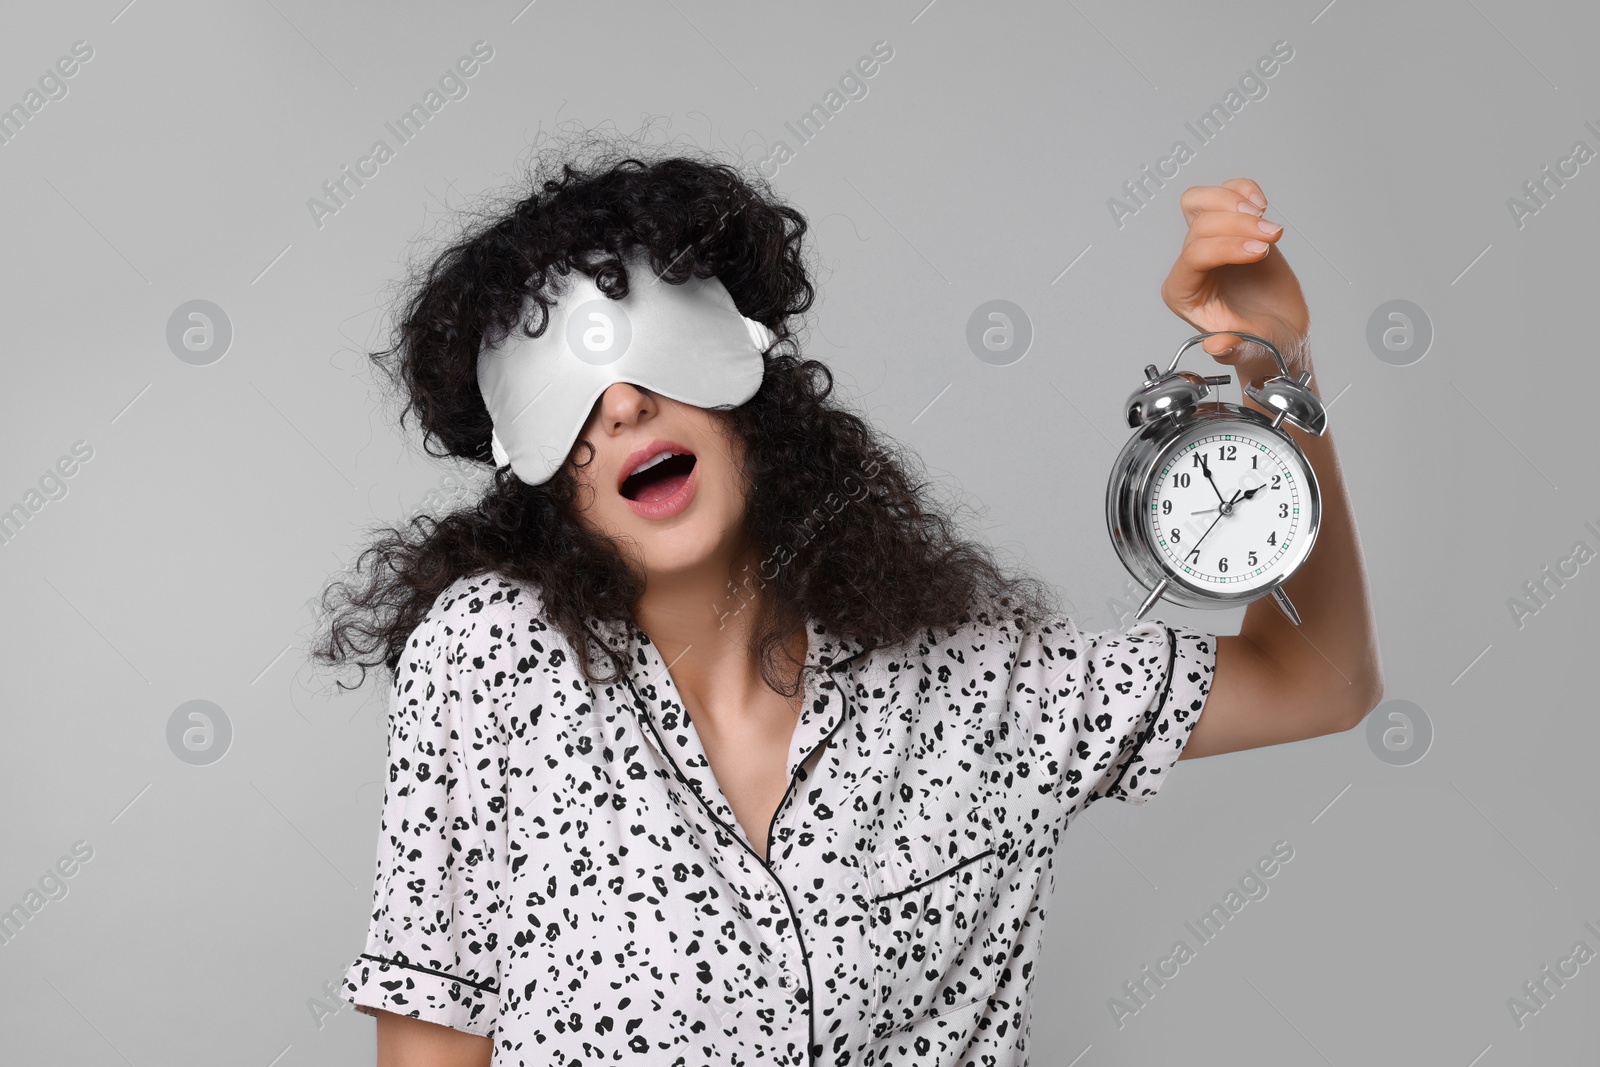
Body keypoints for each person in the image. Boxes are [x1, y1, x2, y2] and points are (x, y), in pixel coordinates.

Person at [312, 135, 1382, 1067]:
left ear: (752, 378)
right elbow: (431, 1027)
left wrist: (1275, 371)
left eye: (651, 346)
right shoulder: (491, 661)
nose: (626, 398)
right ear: (539, 470)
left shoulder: (978, 680)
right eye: (567, 390)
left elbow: (1321, 680)